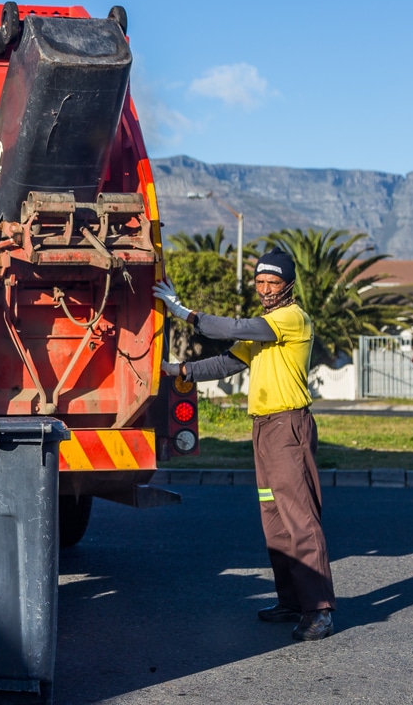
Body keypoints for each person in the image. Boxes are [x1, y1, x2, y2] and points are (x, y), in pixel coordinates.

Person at [153, 247, 336, 642]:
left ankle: (319, 610)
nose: (266, 289)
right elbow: (226, 362)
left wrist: (184, 313)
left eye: (273, 282)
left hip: (289, 427)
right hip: (263, 430)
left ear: (288, 284)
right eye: (261, 282)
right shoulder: (265, 326)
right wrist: (176, 370)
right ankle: (292, 600)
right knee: (274, 520)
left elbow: (234, 328)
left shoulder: (290, 319)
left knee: (299, 518)